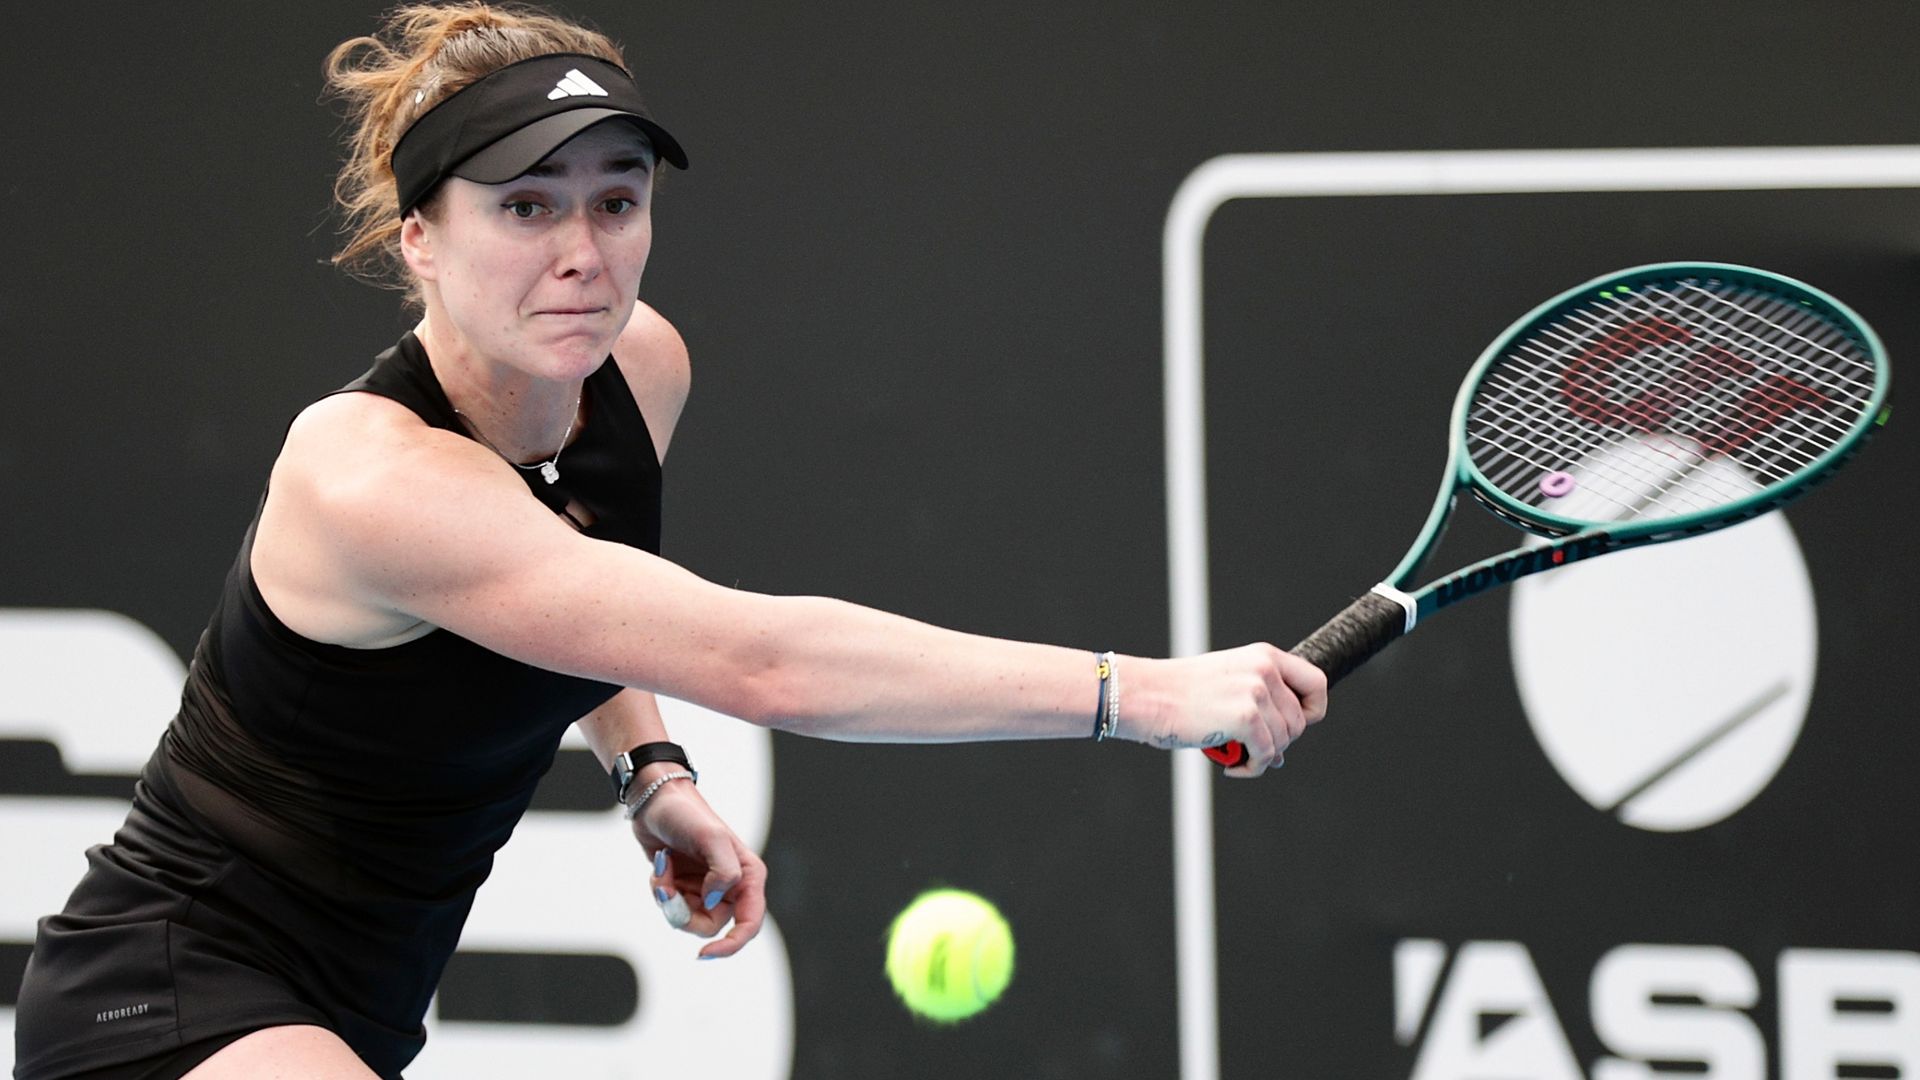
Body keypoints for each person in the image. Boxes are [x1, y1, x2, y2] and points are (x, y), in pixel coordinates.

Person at [11, 4, 1326, 1078]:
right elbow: (762, 662)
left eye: (617, 199)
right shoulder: (370, 479)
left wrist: (648, 770)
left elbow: (586, 596)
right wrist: (1141, 694)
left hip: (354, 1013)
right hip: (170, 1001)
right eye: (526, 207)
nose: (584, 252)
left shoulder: (637, 367)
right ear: (419, 240)